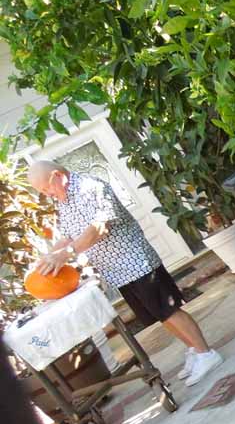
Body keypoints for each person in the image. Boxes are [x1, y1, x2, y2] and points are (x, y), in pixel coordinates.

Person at [28, 161, 222, 387]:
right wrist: (48, 257)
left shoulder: (90, 187)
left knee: (169, 311)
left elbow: (101, 227)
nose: (46, 194)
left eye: (45, 188)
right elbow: (69, 236)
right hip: (117, 272)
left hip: (137, 263)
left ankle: (206, 353)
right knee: (159, 315)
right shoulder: (63, 203)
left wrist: (66, 254)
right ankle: (195, 350)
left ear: (57, 176)